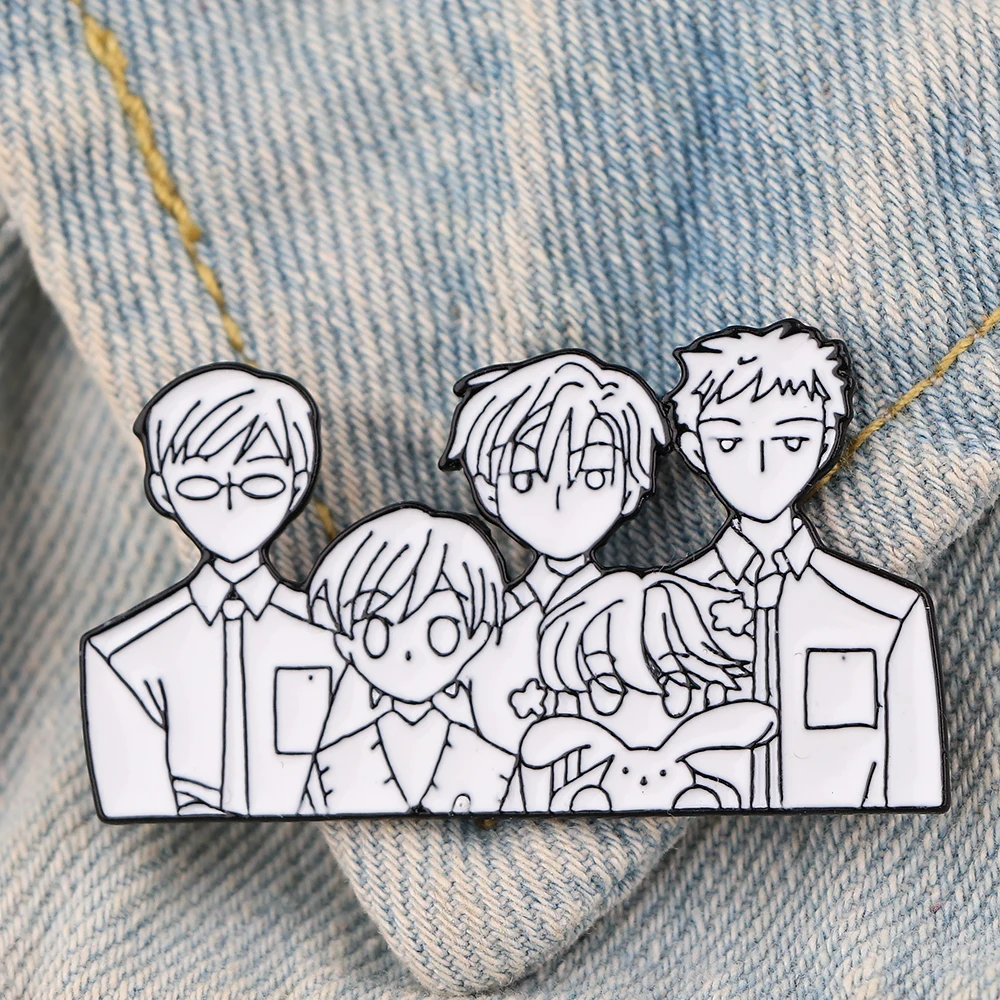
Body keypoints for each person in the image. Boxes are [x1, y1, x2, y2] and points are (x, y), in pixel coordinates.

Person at [667, 319, 946, 809]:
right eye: (729, 441)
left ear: (825, 443)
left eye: (791, 440)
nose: (760, 464)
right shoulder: (658, 611)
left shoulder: (887, 612)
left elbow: (916, 774)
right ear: (695, 448)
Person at [81, 364, 341, 818]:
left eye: (260, 483)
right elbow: (132, 798)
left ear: (298, 485)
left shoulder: (340, 640)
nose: (230, 502)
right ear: (162, 491)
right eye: (199, 485)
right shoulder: (121, 655)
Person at [306, 504, 516, 815]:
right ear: (345, 643)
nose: (408, 652)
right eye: (377, 631)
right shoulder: (329, 764)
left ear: (478, 637)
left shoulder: (497, 761)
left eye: (441, 632)